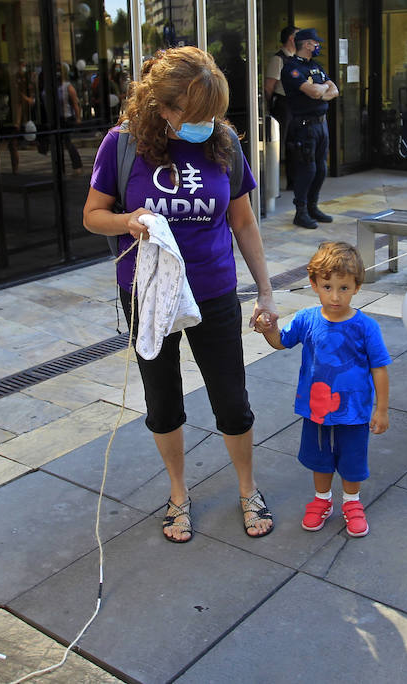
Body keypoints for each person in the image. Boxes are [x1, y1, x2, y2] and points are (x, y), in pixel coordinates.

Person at [83, 46, 278, 543]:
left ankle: (248, 489)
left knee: (232, 401)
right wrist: (129, 222)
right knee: (163, 401)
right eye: (195, 115)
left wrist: (266, 291)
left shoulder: (224, 141)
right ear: (164, 109)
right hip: (148, 294)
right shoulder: (122, 143)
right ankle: (177, 494)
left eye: (214, 114)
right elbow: (92, 215)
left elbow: (243, 220)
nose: (208, 123)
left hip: (212, 290)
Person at [253, 242, 390, 538]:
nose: (335, 295)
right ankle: (323, 499)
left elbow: (379, 367)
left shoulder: (366, 327)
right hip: (317, 410)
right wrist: (268, 329)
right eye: (328, 286)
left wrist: (381, 409)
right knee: (320, 458)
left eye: (344, 288)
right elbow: (281, 342)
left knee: (353, 461)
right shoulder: (306, 319)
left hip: (354, 412)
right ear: (314, 284)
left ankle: (352, 503)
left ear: (356, 287)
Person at [281, 28, 339, 230]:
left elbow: (334, 90)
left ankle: (313, 206)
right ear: (306, 44)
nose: (317, 46)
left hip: (321, 124)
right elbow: (314, 91)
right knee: (308, 169)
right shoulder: (292, 69)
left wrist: (319, 90)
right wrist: (321, 89)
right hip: (304, 126)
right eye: (315, 43)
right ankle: (301, 211)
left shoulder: (315, 66)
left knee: (321, 169)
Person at [264, 25, 297, 191]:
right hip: (283, 105)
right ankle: (272, 185)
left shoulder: (295, 59)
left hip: (294, 104)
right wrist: (269, 107)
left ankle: (292, 180)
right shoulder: (278, 59)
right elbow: (269, 86)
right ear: (291, 38)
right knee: (278, 144)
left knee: (293, 143)